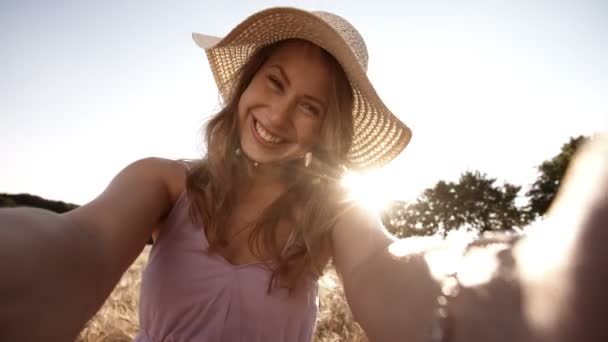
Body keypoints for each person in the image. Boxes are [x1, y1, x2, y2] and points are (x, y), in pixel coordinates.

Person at [1, 6, 607, 342]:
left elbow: (385, 270)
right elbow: (77, 241)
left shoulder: (336, 212)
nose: (278, 116)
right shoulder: (164, 183)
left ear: (328, 129)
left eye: (310, 107)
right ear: (248, 82)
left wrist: (524, 285)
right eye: (275, 83)